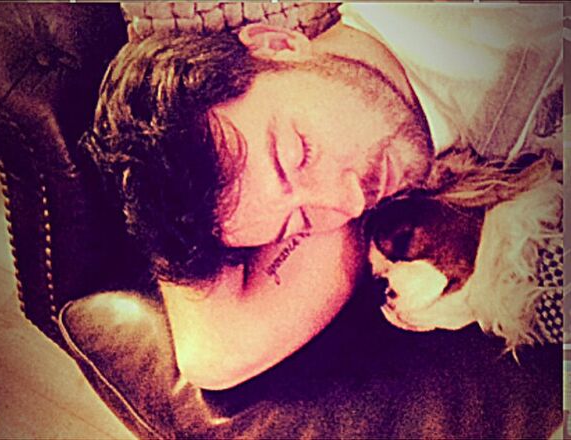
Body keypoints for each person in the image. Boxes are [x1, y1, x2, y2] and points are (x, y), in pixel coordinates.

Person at [86, 4, 562, 436]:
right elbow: (213, 352)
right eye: (300, 223)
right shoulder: (360, 173)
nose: (349, 202)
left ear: (279, 45)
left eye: (299, 153)